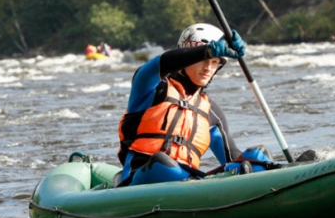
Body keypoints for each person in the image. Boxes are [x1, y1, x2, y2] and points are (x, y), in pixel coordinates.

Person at [116, 23, 274, 187]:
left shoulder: (211, 111)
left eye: (214, 62)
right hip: (141, 180)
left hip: (192, 184)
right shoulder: (151, 89)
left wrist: (254, 165)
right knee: (162, 164)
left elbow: (233, 158)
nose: (208, 68)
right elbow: (160, 64)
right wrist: (206, 51)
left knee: (257, 155)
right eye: (203, 60)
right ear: (185, 58)